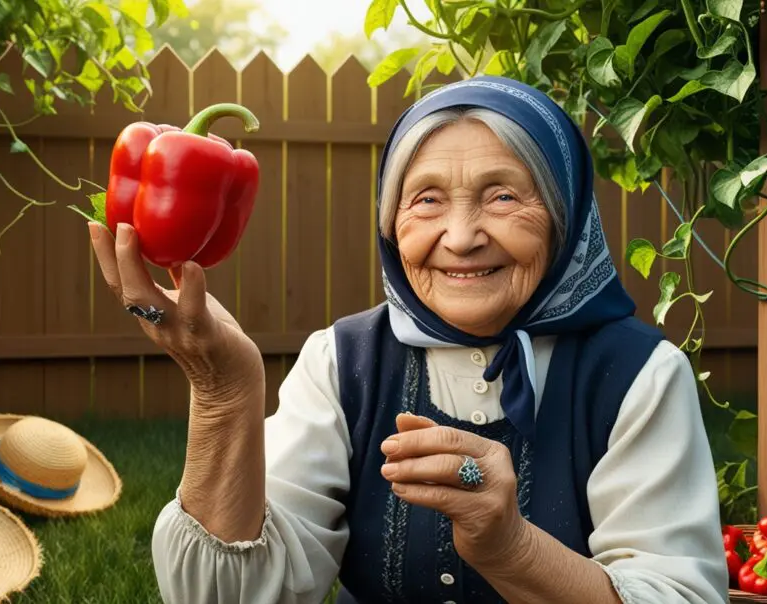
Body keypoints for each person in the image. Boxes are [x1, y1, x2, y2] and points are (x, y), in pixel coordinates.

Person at [88, 75, 728, 604]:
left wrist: (512, 548)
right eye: (425, 201)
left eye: (502, 196)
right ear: (391, 226)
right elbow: (232, 598)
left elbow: (679, 594)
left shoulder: (639, 375)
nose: (460, 236)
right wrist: (225, 393)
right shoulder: (341, 362)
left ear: (566, 217)